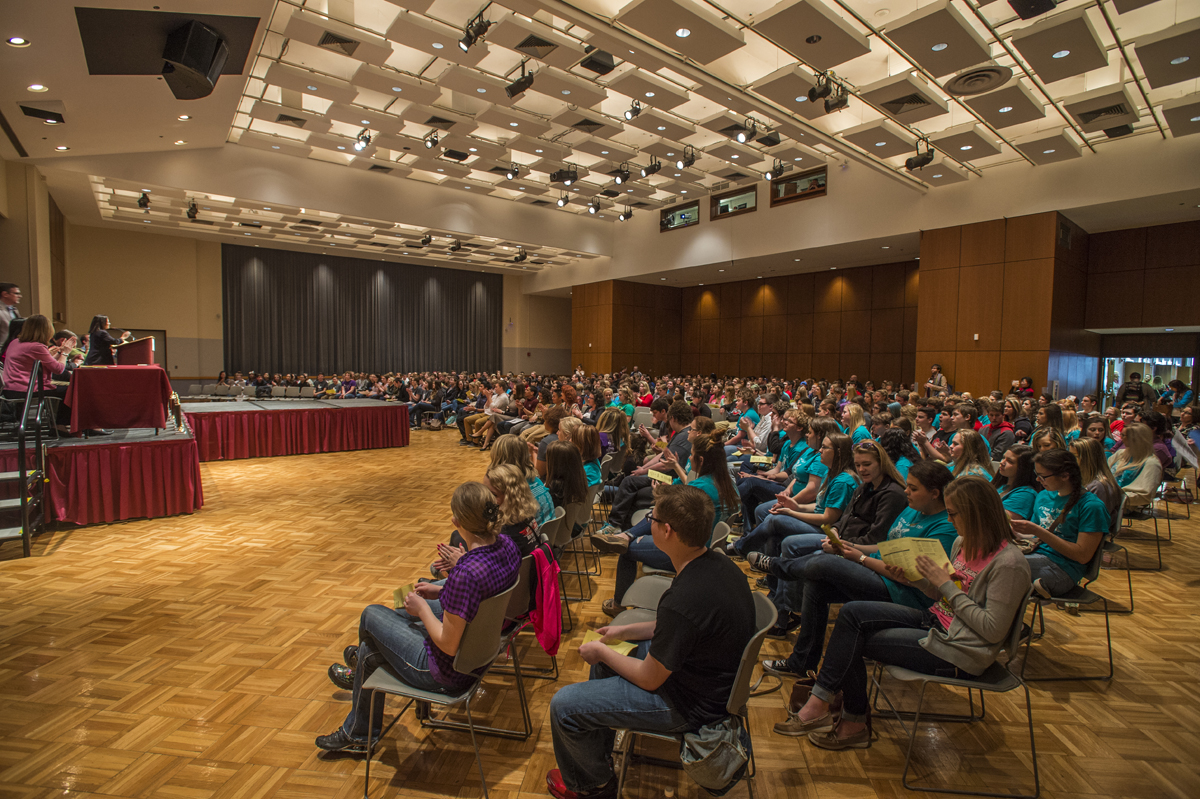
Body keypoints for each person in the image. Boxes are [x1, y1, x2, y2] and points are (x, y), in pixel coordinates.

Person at [780, 476, 1031, 750]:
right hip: (936, 621)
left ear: (976, 513)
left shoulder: (1009, 564)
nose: (949, 521)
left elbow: (992, 629)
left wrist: (945, 583)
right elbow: (939, 596)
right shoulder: (964, 543)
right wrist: (916, 579)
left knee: (851, 637)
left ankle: (841, 715)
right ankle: (833, 709)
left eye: (954, 514)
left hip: (961, 649)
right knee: (852, 615)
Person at [546, 484, 755, 799]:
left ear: (667, 531)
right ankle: (596, 761)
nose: (649, 523)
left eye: (652, 519)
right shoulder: (719, 565)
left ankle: (592, 786)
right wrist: (623, 632)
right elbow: (679, 628)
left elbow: (650, 676)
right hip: (706, 680)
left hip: (689, 704)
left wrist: (602, 650)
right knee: (606, 665)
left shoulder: (683, 598)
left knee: (563, 706)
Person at [316, 481, 520, 753]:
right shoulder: (507, 545)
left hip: (446, 671)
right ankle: (358, 732)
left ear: (456, 521)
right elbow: (482, 588)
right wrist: (441, 589)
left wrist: (423, 609)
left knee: (371, 614)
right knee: (371, 647)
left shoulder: (466, 575)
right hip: (480, 653)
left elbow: (447, 644)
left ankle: (358, 701)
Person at [759, 459, 957, 682]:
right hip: (879, 573)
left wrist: (859, 558)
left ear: (934, 493)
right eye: (907, 485)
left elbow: (912, 578)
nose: (906, 491)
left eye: (913, 488)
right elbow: (884, 548)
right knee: (818, 585)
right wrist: (851, 547)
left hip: (903, 592)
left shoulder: (945, 528)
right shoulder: (913, 511)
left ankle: (778, 567)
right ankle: (802, 663)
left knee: (825, 562)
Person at [595, 431, 740, 617]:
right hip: (703, 548)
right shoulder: (727, 481)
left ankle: (618, 604)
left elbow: (671, 513)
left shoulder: (701, 488)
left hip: (688, 551)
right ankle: (626, 535)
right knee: (654, 514)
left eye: (692, 455)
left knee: (629, 548)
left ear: (701, 460)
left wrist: (660, 497)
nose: (690, 458)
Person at [1013, 450, 1108, 599]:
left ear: (1065, 475)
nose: (1038, 480)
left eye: (1043, 476)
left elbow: (1082, 555)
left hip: (1063, 569)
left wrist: (1038, 531)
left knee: (1000, 566)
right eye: (1036, 474)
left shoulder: (1091, 506)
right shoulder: (1044, 495)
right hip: (1036, 553)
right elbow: (1033, 536)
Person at [1, 315, 73, 425]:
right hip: (26, 390)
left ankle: (57, 425)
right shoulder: (37, 347)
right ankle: (60, 425)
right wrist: (65, 353)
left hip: (9, 389)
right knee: (72, 390)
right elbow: (58, 369)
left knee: (65, 388)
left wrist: (59, 353)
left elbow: (43, 365)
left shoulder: (15, 343)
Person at [1107, 422, 1163, 508]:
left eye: (1123, 435)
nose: (1121, 438)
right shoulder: (1120, 453)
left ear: (1134, 439)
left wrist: (1114, 496)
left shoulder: (1151, 463)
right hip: (1108, 496)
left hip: (1126, 504)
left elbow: (1144, 494)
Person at [1072, 437, 1121, 517]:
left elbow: (1095, 519)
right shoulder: (1081, 479)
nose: (1069, 460)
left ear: (1087, 458)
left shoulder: (1099, 486)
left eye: (1074, 456)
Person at [991, 445, 1039, 520]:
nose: (1002, 462)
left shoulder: (1026, 494)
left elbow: (1000, 520)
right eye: (1003, 458)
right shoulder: (1001, 485)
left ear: (1023, 468)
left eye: (1010, 461)